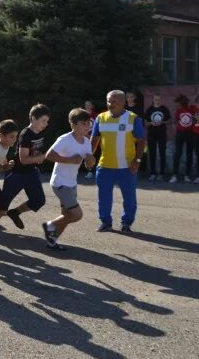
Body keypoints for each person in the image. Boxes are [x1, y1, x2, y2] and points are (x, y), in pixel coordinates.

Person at [0, 104, 50, 233]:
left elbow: (35, 153)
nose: (46, 124)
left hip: (31, 172)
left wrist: (38, 156)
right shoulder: (25, 134)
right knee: (2, 206)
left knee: (38, 200)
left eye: (47, 121)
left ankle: (15, 213)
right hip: (17, 174)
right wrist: (42, 157)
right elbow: (23, 159)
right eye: (43, 120)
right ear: (33, 119)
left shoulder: (41, 133)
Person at [91, 90, 145, 232]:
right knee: (104, 198)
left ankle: (126, 223)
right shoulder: (100, 118)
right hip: (104, 166)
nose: (110, 104)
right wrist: (89, 156)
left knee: (129, 199)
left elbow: (141, 141)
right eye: (108, 101)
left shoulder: (133, 118)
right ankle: (105, 222)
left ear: (123, 102)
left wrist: (137, 161)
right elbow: (94, 139)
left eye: (114, 101)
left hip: (127, 167)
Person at [42, 108, 95, 250]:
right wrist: (70, 160)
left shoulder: (86, 142)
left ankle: (51, 241)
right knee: (76, 215)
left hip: (72, 183)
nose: (88, 126)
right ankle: (50, 226)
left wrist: (90, 160)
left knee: (66, 215)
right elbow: (49, 155)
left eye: (89, 123)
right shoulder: (65, 139)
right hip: (60, 182)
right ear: (74, 124)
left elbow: (89, 165)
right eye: (84, 123)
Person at [144, 93, 171, 182]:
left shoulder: (164, 109)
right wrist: (151, 123)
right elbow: (145, 122)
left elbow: (170, 120)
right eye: (156, 99)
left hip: (162, 134)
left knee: (162, 153)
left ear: (161, 100)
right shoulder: (149, 109)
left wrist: (163, 122)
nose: (157, 101)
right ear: (153, 100)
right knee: (152, 154)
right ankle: (153, 173)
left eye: (159, 99)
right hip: (152, 134)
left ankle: (161, 174)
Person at [170, 94, 195, 183]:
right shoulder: (178, 110)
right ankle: (174, 175)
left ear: (183, 103)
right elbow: (175, 121)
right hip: (180, 133)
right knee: (177, 154)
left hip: (190, 133)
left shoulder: (192, 108)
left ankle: (187, 175)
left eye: (178, 104)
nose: (177, 106)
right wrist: (175, 128)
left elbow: (195, 119)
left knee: (189, 154)